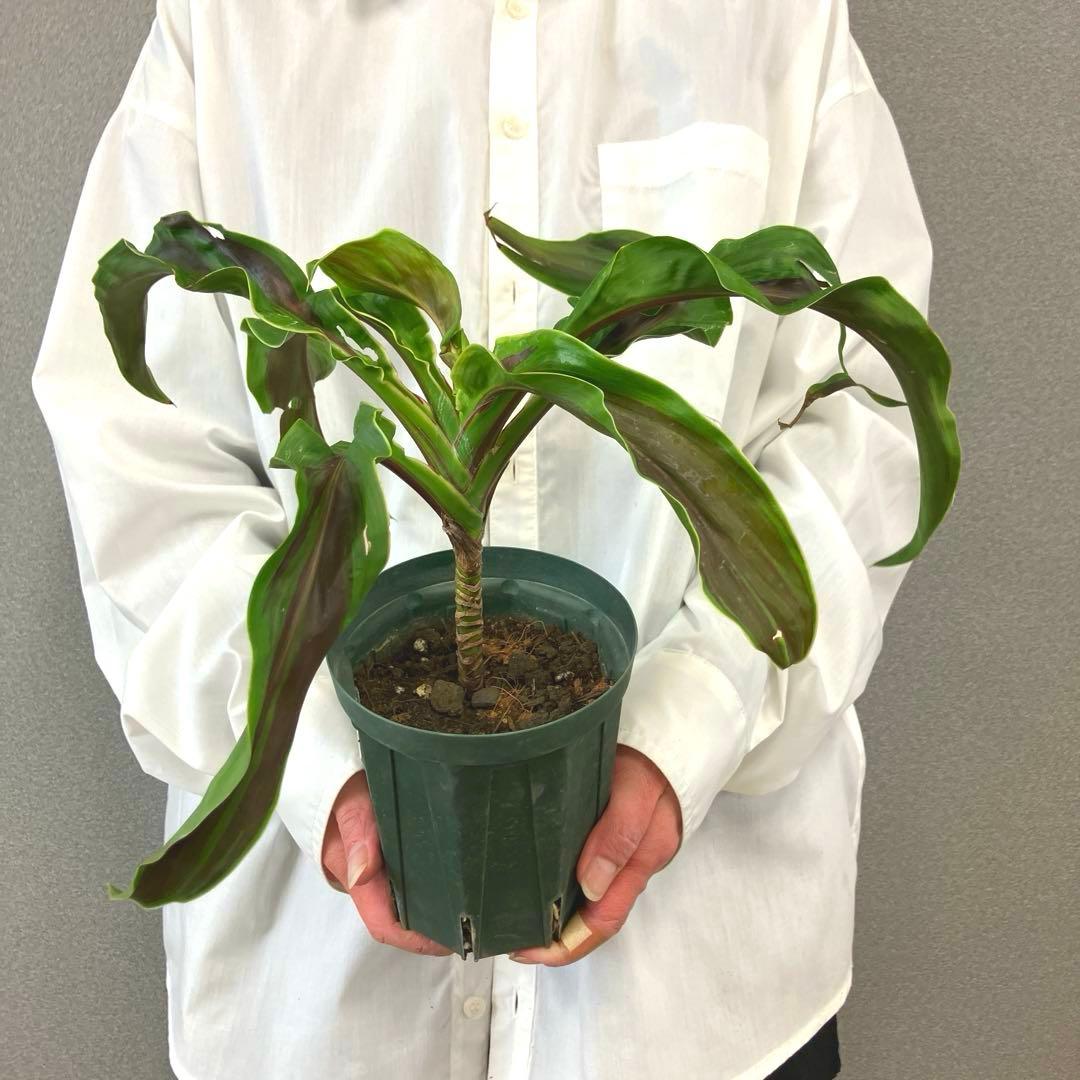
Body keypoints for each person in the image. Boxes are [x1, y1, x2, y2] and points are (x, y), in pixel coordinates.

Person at [32, 1, 932, 1077]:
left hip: (697, 1005)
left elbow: (860, 423)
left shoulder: (770, 21)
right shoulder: (230, 25)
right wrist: (327, 775)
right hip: (322, 1015)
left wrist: (691, 720)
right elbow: (136, 456)